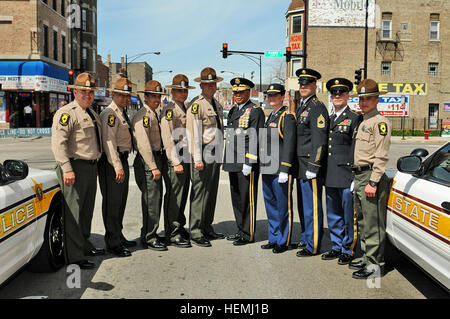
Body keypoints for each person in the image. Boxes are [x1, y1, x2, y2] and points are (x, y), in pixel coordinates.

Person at [51, 72, 104, 269]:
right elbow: (59, 144)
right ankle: (74, 256)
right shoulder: (67, 113)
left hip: (90, 168)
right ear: (74, 91)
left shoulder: (92, 113)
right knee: (73, 213)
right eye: (83, 92)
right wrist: (66, 169)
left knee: (86, 212)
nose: (88, 96)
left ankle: (84, 245)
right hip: (74, 168)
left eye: (90, 92)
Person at [349, 79, 391, 279]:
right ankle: (367, 257)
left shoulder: (380, 122)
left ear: (377, 99)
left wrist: (373, 181)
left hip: (370, 176)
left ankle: (375, 265)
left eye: (368, 99)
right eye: (361, 99)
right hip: (360, 175)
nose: (363, 102)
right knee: (363, 221)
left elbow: (381, 156)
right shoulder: (363, 120)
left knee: (374, 223)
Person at [322, 78, 363, 265]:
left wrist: (355, 174)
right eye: (334, 93)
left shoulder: (355, 117)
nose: (337, 96)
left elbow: (357, 147)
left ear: (347, 95)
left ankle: (348, 248)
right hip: (330, 174)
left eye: (341, 93)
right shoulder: (329, 119)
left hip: (346, 174)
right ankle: (336, 245)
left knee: (348, 215)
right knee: (333, 214)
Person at [222, 77, 265, 246]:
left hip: (247, 163)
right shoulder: (233, 111)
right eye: (235, 92)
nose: (238, 95)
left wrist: (249, 161)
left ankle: (248, 234)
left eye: (241, 92)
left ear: (248, 92)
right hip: (233, 160)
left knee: (247, 199)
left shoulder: (255, 111)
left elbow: (256, 137)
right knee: (237, 198)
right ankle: (240, 230)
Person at [186, 67, 224, 247]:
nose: (210, 87)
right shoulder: (197, 104)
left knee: (211, 192)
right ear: (201, 86)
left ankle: (207, 226)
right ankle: (195, 231)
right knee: (200, 193)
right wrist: (197, 158)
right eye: (207, 84)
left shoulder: (215, 103)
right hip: (203, 151)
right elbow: (193, 133)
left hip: (215, 152)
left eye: (213, 84)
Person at [98, 77, 136, 258]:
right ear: (113, 94)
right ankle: (112, 243)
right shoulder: (110, 114)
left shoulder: (121, 112)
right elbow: (109, 143)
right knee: (112, 204)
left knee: (120, 203)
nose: (125, 99)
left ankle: (118, 236)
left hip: (122, 161)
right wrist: (117, 167)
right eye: (121, 96)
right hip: (112, 164)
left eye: (127, 96)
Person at [294, 68, 329, 257]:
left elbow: (319, 139)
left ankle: (313, 244)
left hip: (310, 166)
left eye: (307, 84)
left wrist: (314, 166)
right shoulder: (303, 106)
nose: (303, 87)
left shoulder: (316, 107)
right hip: (301, 166)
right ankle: (307, 237)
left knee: (312, 207)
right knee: (302, 206)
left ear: (315, 86)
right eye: (301, 84)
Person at [260, 83, 296, 254]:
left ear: (283, 97)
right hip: (268, 168)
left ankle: (283, 240)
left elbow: (289, 145)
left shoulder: (286, 116)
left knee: (283, 207)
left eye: (275, 95)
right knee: (271, 206)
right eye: (269, 96)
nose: (272, 98)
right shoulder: (271, 116)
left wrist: (285, 169)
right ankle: (273, 237)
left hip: (279, 170)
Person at [132, 80, 168, 251]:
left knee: (155, 199)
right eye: (153, 96)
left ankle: (150, 232)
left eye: (158, 96)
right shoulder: (143, 116)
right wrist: (153, 166)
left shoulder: (153, 113)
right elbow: (143, 144)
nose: (156, 99)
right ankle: (149, 236)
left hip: (155, 159)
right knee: (151, 201)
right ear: (145, 97)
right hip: (148, 161)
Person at [160, 74, 195, 248]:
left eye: (185, 90)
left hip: (186, 154)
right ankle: (171, 233)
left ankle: (179, 226)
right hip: (177, 155)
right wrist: (175, 161)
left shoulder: (186, 107)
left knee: (183, 195)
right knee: (175, 196)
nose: (183, 94)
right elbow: (167, 138)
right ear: (172, 91)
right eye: (179, 90)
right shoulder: (170, 109)